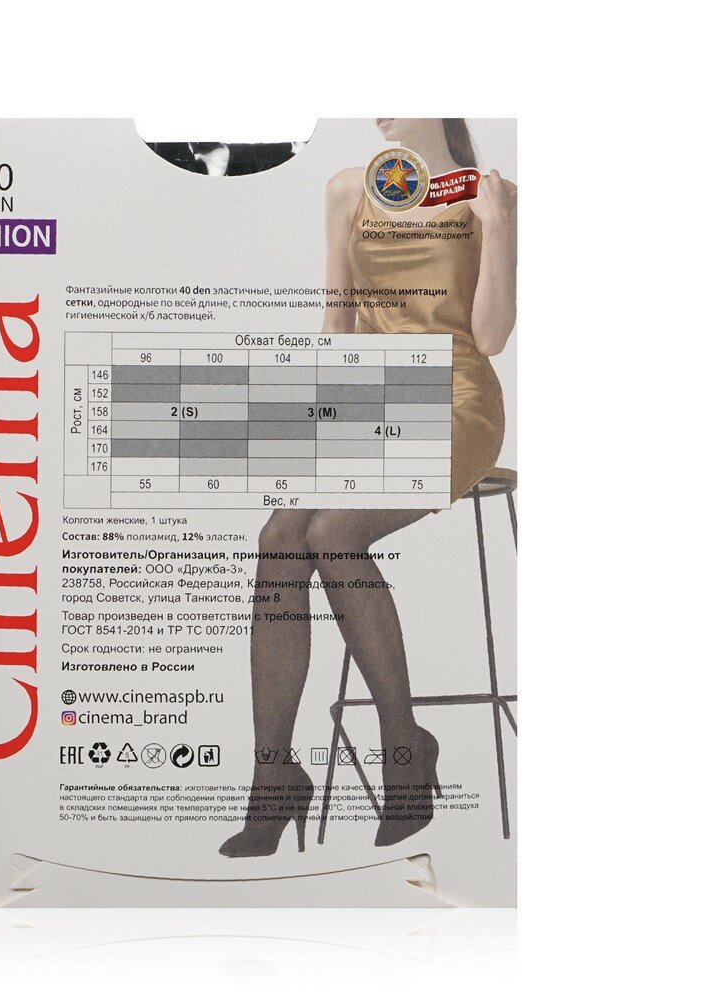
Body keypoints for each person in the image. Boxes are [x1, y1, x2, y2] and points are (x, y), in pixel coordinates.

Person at [220, 118, 517, 857]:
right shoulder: (349, 189)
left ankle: (402, 748)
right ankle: (273, 775)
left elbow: (491, 337)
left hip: (456, 401)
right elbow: (338, 316)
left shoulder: (491, 197)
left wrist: (499, 227)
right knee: (279, 537)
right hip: (370, 400)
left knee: (333, 531)